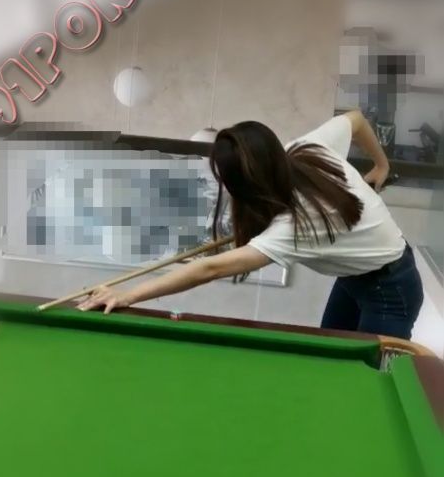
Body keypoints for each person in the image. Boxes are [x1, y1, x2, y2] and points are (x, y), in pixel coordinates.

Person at [79, 111, 424, 339]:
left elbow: (210, 268)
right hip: (356, 277)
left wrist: (127, 295)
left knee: (370, 376)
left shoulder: (297, 226)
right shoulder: (305, 148)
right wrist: (381, 165)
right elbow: (356, 120)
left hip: (390, 290)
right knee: (334, 360)